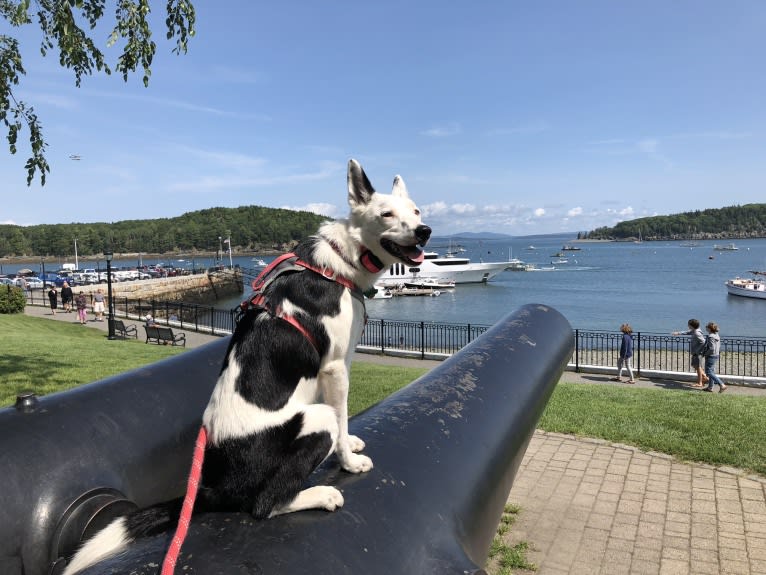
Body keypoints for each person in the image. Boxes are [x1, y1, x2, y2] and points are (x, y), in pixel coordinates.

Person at [672, 319, 708, 387]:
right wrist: (679, 333)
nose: (688, 325)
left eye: (688, 324)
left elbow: (703, 342)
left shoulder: (697, 333)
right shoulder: (694, 331)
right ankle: (705, 378)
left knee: (698, 367)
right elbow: (688, 332)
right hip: (695, 353)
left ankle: (700, 382)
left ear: (692, 325)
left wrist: (698, 351)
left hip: (697, 353)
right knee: (695, 366)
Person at [702, 322, 727, 393]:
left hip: (711, 356)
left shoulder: (711, 337)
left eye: (706, 327)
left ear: (709, 328)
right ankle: (710, 388)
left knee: (709, 372)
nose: (705, 328)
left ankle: (722, 385)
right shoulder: (717, 335)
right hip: (716, 355)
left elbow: (711, 348)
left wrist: (705, 354)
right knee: (711, 371)